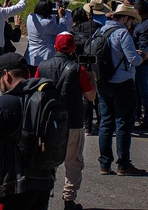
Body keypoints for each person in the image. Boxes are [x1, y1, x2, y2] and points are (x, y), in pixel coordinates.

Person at [0, 53, 55, 210]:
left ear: (6, 75)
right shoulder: (44, 97)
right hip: (42, 181)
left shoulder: (4, 103)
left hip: (10, 186)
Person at [35, 33, 96, 210]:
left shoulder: (43, 66)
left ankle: (45, 194)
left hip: (49, 122)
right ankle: (69, 199)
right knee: (73, 162)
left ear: (55, 48)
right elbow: (91, 97)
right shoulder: (78, 69)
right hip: (73, 122)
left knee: (48, 161)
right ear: (73, 49)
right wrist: (93, 79)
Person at [96, 4, 147, 176]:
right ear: (125, 18)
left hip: (103, 81)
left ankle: (104, 163)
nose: (131, 24)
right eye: (131, 20)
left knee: (105, 123)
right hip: (122, 83)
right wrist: (143, 56)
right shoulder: (122, 33)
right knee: (123, 124)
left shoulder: (100, 31)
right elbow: (134, 60)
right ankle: (123, 164)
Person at [72, 5, 102, 136]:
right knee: (97, 96)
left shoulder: (73, 30)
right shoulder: (96, 26)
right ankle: (102, 122)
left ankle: (87, 126)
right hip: (95, 62)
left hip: (79, 63)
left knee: (84, 95)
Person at [24, 0, 71, 69]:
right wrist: (61, 17)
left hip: (30, 56)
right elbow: (63, 31)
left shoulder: (30, 17)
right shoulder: (46, 23)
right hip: (43, 58)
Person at [132, 0, 148, 131]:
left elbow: (144, 46)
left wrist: (140, 53)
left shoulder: (146, 26)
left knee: (145, 92)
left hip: (145, 63)